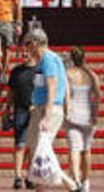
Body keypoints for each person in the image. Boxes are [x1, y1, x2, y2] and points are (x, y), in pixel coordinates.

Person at [22, 29, 81, 192]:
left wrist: (46, 115)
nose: (26, 49)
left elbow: (52, 86)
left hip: (48, 110)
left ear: (35, 43)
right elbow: (63, 84)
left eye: (27, 45)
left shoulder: (48, 60)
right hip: (43, 108)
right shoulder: (49, 59)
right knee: (38, 150)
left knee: (42, 149)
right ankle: (43, 186)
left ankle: (71, 184)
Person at [65, 47, 101, 192]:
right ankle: (86, 181)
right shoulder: (91, 74)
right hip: (88, 115)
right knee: (86, 150)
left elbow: (65, 94)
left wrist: (65, 110)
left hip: (72, 115)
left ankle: (76, 180)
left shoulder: (67, 74)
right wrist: (95, 113)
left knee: (74, 149)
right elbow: (97, 95)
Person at [6, 50, 39, 189]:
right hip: (20, 110)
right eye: (23, 52)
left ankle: (29, 176)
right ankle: (18, 176)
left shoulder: (39, 71)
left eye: (27, 52)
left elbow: (44, 90)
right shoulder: (16, 71)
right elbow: (11, 91)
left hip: (36, 111)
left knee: (32, 146)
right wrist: (8, 108)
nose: (24, 54)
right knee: (20, 144)